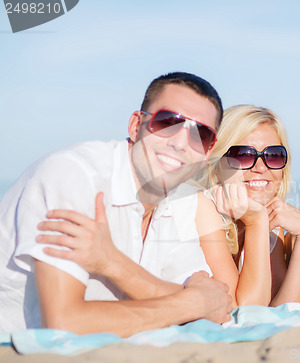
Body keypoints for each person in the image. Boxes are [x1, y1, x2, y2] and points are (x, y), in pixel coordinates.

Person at [0, 72, 232, 337]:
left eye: (200, 134)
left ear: (207, 153)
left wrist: (113, 263)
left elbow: (213, 301)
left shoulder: (179, 201)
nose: (180, 143)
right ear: (135, 125)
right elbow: (64, 323)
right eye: (168, 121)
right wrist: (190, 304)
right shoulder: (75, 176)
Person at [195, 105, 300, 307]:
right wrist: (255, 222)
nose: (261, 168)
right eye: (243, 155)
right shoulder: (202, 207)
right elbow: (244, 310)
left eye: (273, 155)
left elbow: (283, 308)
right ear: (215, 166)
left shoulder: (268, 219)